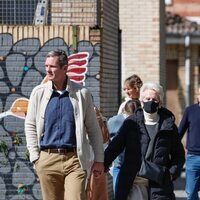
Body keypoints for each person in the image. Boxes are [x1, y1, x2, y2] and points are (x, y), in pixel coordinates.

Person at [25, 50, 104, 200]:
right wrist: (35, 157)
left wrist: (99, 159)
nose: (48, 70)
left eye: (53, 66)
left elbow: (93, 128)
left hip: (75, 159)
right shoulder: (38, 93)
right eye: (46, 66)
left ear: (65, 68)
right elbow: (30, 125)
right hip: (47, 159)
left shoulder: (82, 93)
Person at [104, 82, 185, 200]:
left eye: (154, 99)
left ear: (160, 103)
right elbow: (116, 146)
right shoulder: (131, 123)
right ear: (141, 102)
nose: (150, 102)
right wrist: (103, 164)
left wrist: (171, 174)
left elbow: (179, 155)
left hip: (159, 181)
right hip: (134, 180)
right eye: (147, 99)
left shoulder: (169, 126)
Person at [107, 99, 141, 196]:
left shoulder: (143, 121)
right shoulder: (115, 121)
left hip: (138, 167)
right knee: (119, 194)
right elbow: (105, 139)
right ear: (124, 112)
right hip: (119, 165)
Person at [178, 88, 200, 200]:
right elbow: (179, 132)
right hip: (193, 158)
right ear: (198, 96)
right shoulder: (190, 111)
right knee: (191, 193)